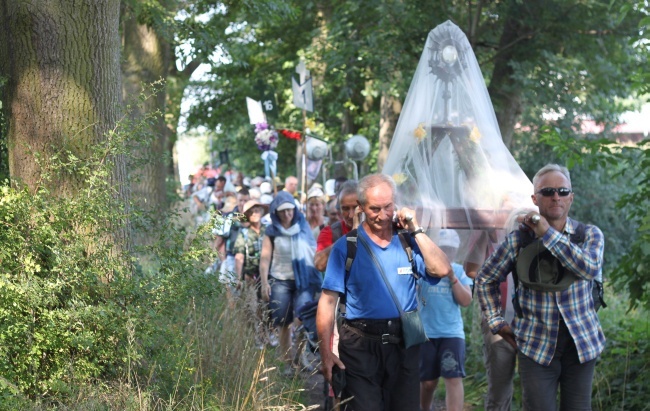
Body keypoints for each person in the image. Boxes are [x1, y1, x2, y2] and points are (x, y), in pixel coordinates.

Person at [316, 173, 452, 411]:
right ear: (361, 208)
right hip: (359, 345)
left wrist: (416, 229)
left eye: (388, 207)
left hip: (404, 344)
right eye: (375, 209)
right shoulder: (346, 247)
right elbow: (327, 303)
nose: (382, 215)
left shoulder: (408, 242)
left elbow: (442, 269)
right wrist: (326, 354)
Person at [476, 164, 605, 411]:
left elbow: (588, 268)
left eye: (563, 190)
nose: (556, 196)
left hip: (582, 343)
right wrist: (496, 322)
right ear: (535, 199)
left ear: (571, 197)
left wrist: (546, 233)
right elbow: (485, 278)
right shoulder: (519, 240)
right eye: (547, 191)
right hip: (535, 344)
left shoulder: (589, 235)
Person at [259, 191, 321, 375]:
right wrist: (264, 282)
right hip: (280, 280)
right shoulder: (271, 232)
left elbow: (312, 251)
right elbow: (265, 258)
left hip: (303, 281)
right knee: (283, 323)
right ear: (275, 212)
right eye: (283, 211)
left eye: (290, 210)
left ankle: (301, 357)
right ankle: (286, 362)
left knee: (303, 319)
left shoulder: (303, 227)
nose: (287, 214)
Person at [419, 229, 473, 411]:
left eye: (450, 249)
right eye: (443, 249)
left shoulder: (458, 271)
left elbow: (466, 301)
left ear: (455, 251)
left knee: (453, 377)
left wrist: (452, 277)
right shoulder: (423, 269)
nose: (446, 253)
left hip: (451, 333)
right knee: (427, 381)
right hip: (426, 332)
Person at [234, 199, 270, 347]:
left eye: (258, 210)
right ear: (247, 215)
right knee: (253, 307)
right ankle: (257, 336)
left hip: (268, 276)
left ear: (262, 212)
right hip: (251, 276)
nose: (255, 213)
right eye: (252, 211)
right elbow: (239, 256)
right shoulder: (244, 234)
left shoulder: (268, 230)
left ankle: (268, 334)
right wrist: (238, 278)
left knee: (268, 307)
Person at [314, 180, 359, 272]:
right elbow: (319, 264)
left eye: (355, 208)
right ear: (339, 210)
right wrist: (350, 237)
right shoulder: (330, 232)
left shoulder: (376, 227)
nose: (351, 214)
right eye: (345, 209)